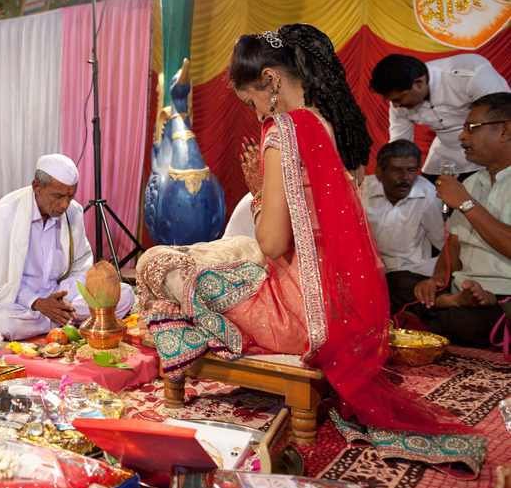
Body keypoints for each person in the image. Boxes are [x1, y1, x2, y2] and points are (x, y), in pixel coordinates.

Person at [136, 24, 471, 435]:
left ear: (271, 81)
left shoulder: (281, 131)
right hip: (340, 309)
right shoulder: (325, 123)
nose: (257, 113)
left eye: (252, 100)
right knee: (224, 261)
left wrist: (258, 193)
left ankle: (190, 348)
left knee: (156, 261)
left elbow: (273, 244)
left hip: (298, 321)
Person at [0, 154, 135, 341]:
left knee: (124, 294)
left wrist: (61, 300)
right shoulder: (5, 212)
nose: (64, 204)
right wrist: (37, 302)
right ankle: (68, 321)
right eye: (58, 196)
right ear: (37, 186)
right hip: (19, 301)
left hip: (62, 294)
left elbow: (80, 264)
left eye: (70, 196)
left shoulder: (73, 211)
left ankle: (59, 318)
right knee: (3, 324)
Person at [413, 93, 511, 348]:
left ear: (505, 130)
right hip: (463, 291)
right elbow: (454, 245)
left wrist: (466, 204)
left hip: (504, 294)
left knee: (463, 324)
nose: (462, 137)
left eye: (472, 128)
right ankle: (450, 304)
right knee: (399, 287)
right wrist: (437, 281)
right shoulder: (470, 182)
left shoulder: (464, 193)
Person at [369, 53, 509, 178]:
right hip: (446, 155)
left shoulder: (469, 74)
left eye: (398, 99)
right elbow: (400, 144)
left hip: (490, 151)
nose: (396, 106)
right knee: (429, 195)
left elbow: (503, 117)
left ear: (418, 84)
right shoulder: (400, 103)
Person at [361, 140, 445, 315]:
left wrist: (434, 279)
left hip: (409, 273)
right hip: (370, 271)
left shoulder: (428, 194)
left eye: (411, 170)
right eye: (397, 170)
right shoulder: (363, 190)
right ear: (379, 172)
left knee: (406, 288)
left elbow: (446, 245)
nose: (405, 178)